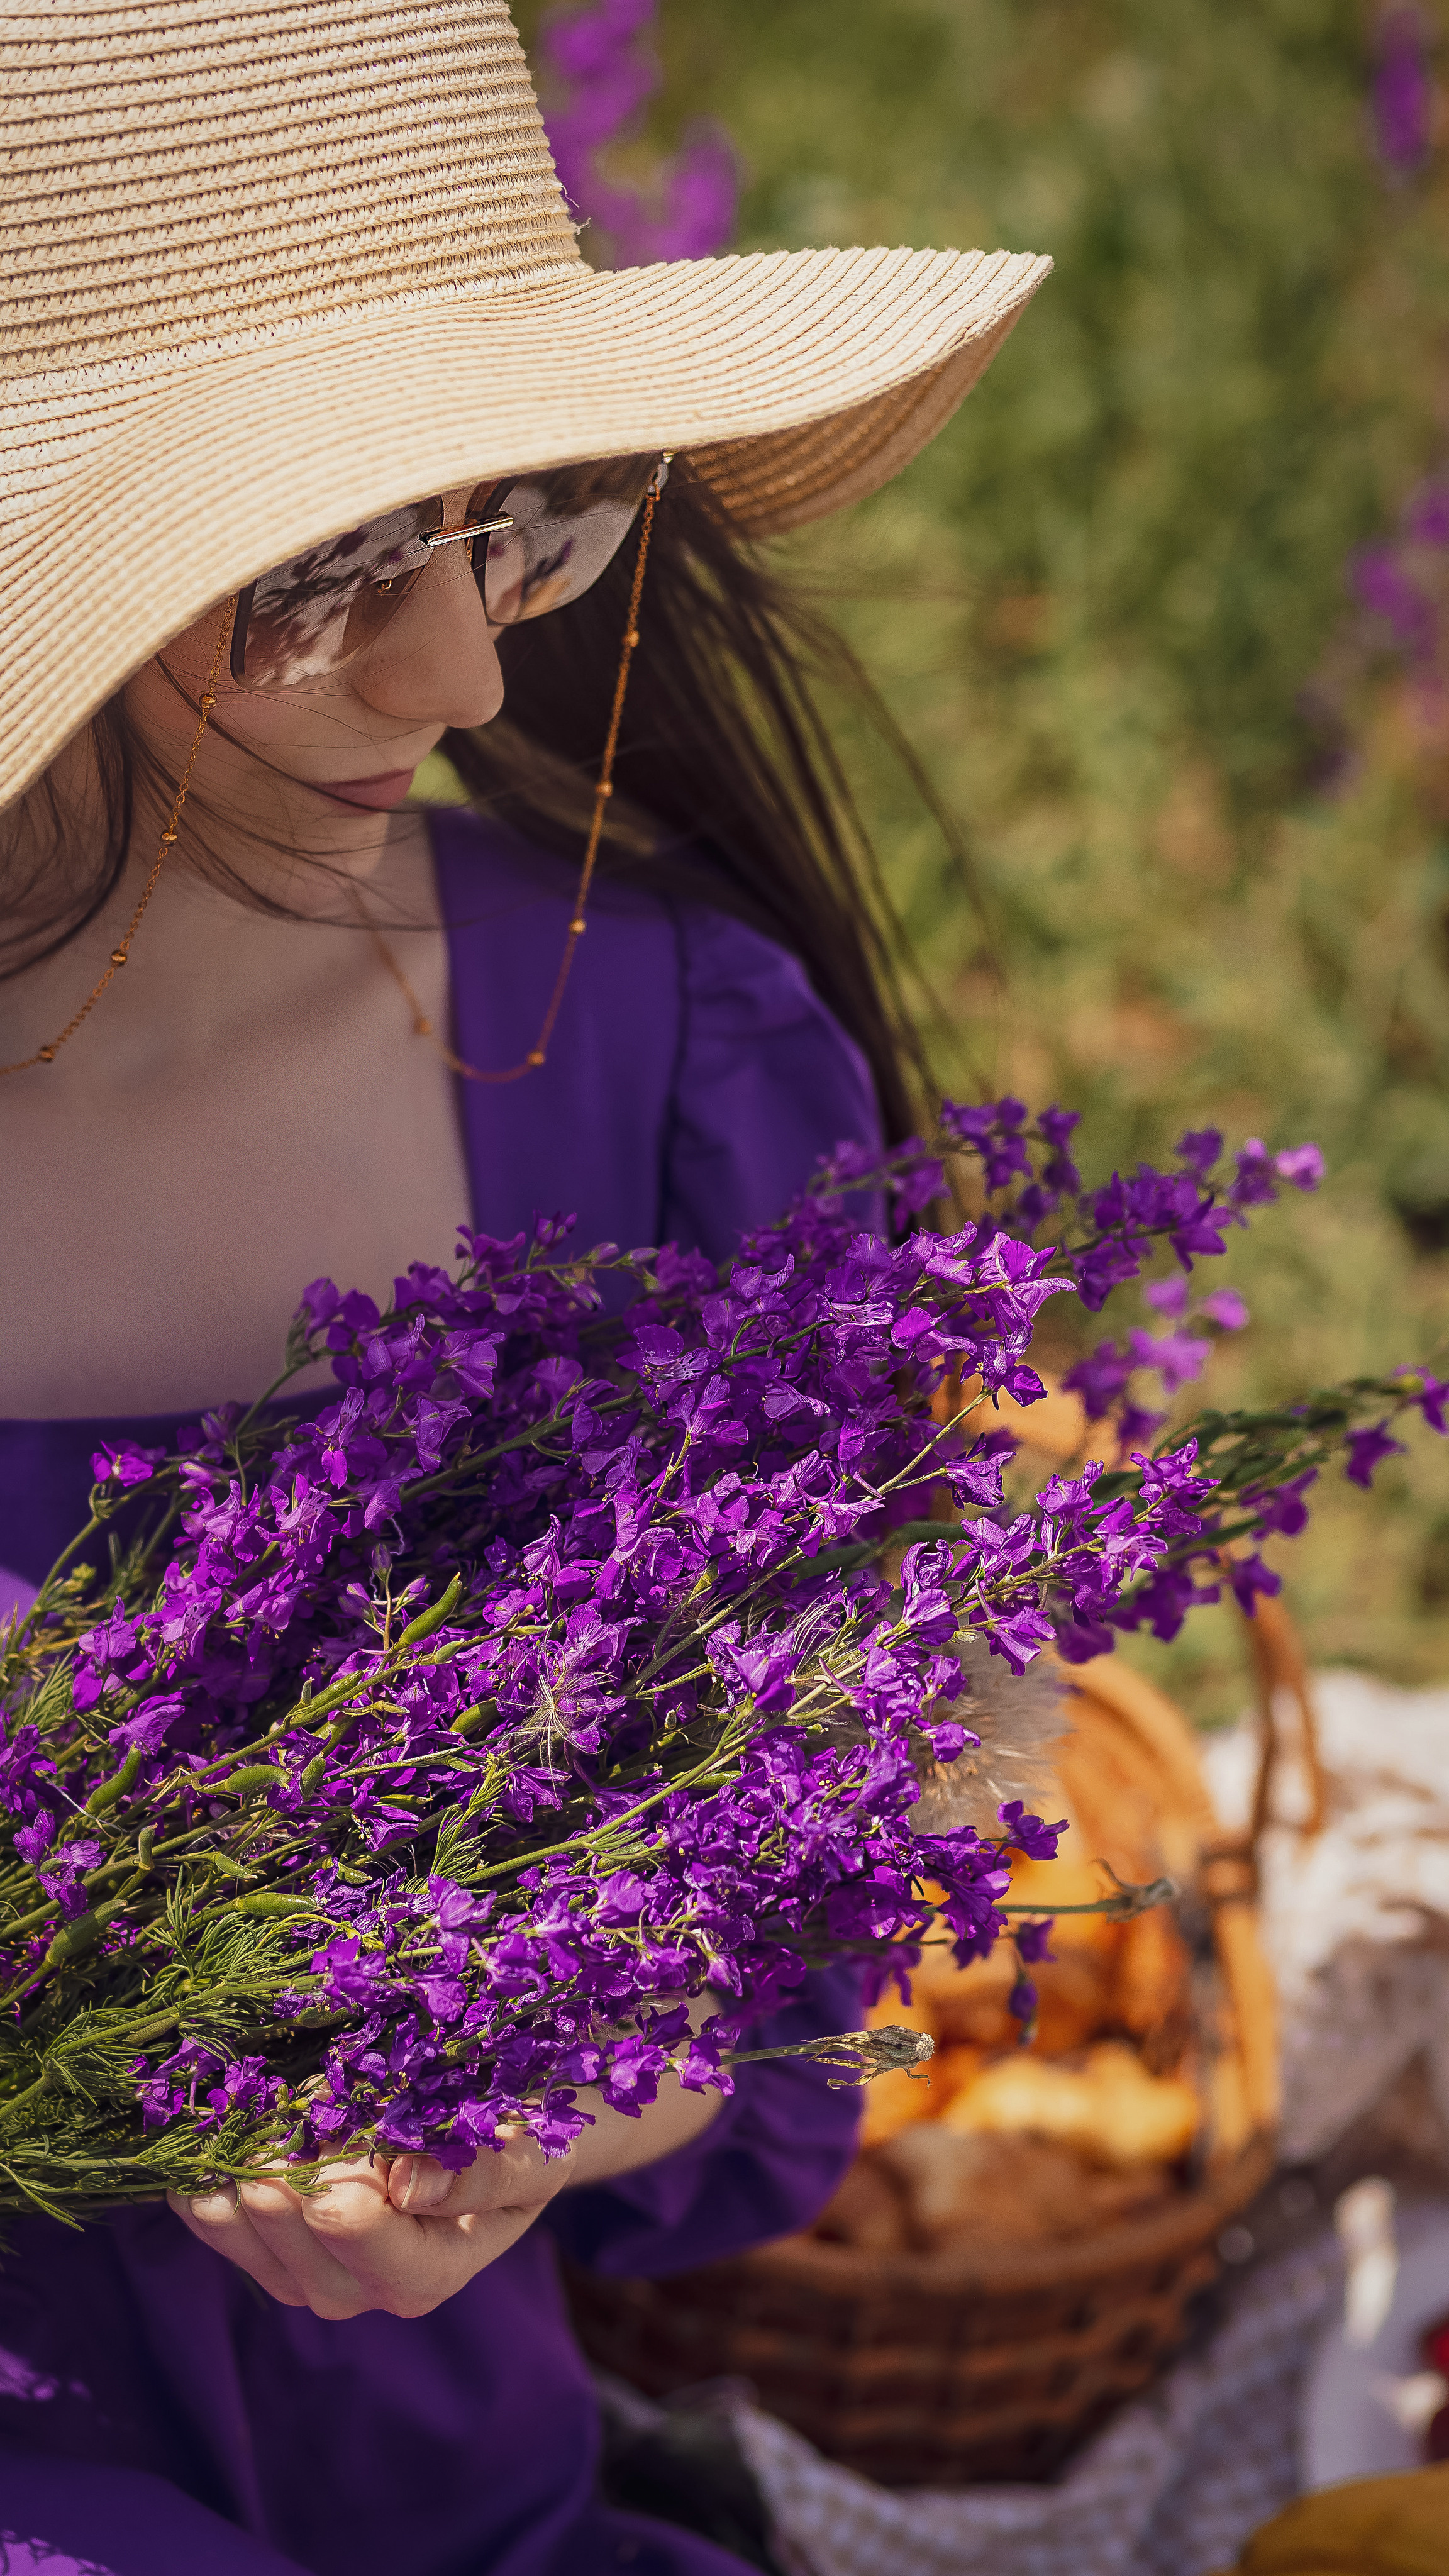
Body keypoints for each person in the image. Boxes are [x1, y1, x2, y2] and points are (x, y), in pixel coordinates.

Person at [0, 6, 1048, 2570]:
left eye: (526, 522)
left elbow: (856, 1824)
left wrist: (603, 2074)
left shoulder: (650, 1047)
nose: (470, 673)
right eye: (324, 571)